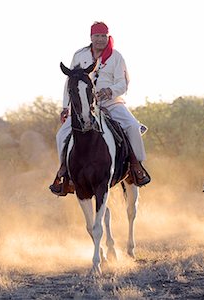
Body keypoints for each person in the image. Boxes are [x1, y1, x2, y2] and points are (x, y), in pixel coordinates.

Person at [50, 21, 151, 196]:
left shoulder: (116, 57)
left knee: (133, 127)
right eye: (97, 36)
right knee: (61, 135)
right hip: (85, 106)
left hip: (111, 103)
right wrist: (65, 107)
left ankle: (137, 167)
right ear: (91, 37)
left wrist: (110, 91)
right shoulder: (79, 55)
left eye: (103, 36)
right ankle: (65, 173)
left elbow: (123, 82)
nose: (100, 40)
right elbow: (70, 82)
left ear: (108, 37)